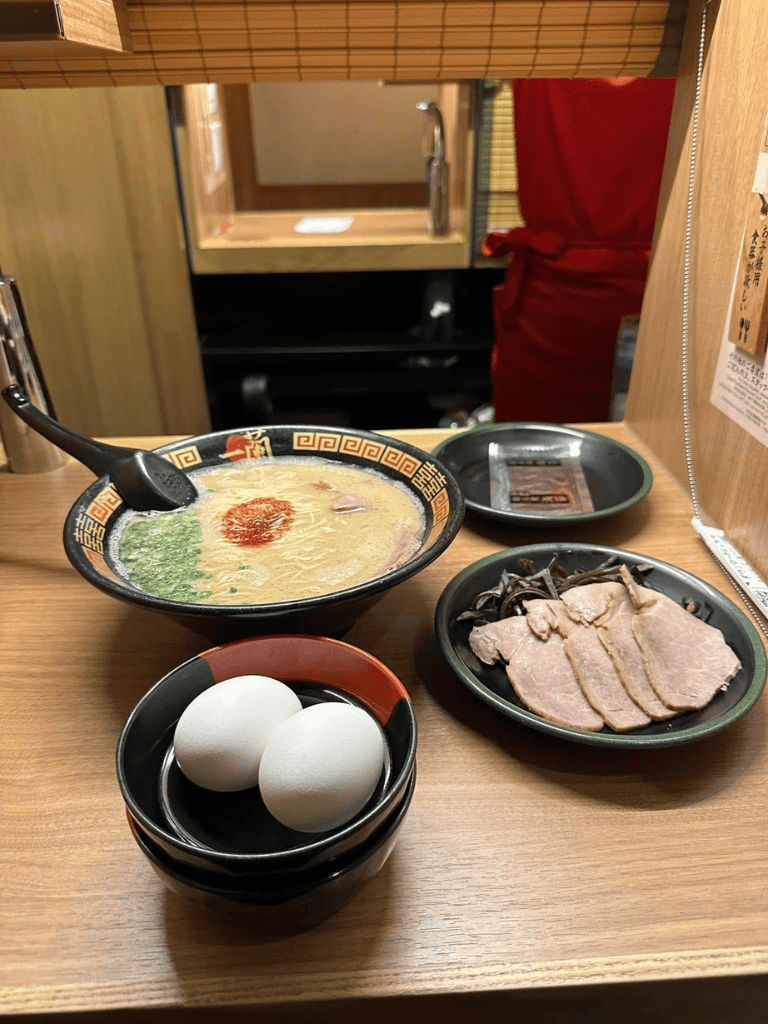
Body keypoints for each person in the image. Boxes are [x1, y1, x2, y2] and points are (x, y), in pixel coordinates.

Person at [483, 76, 677, 423]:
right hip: (652, 289)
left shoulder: (539, 31)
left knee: (537, 456)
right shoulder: (705, 38)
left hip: (582, 294)